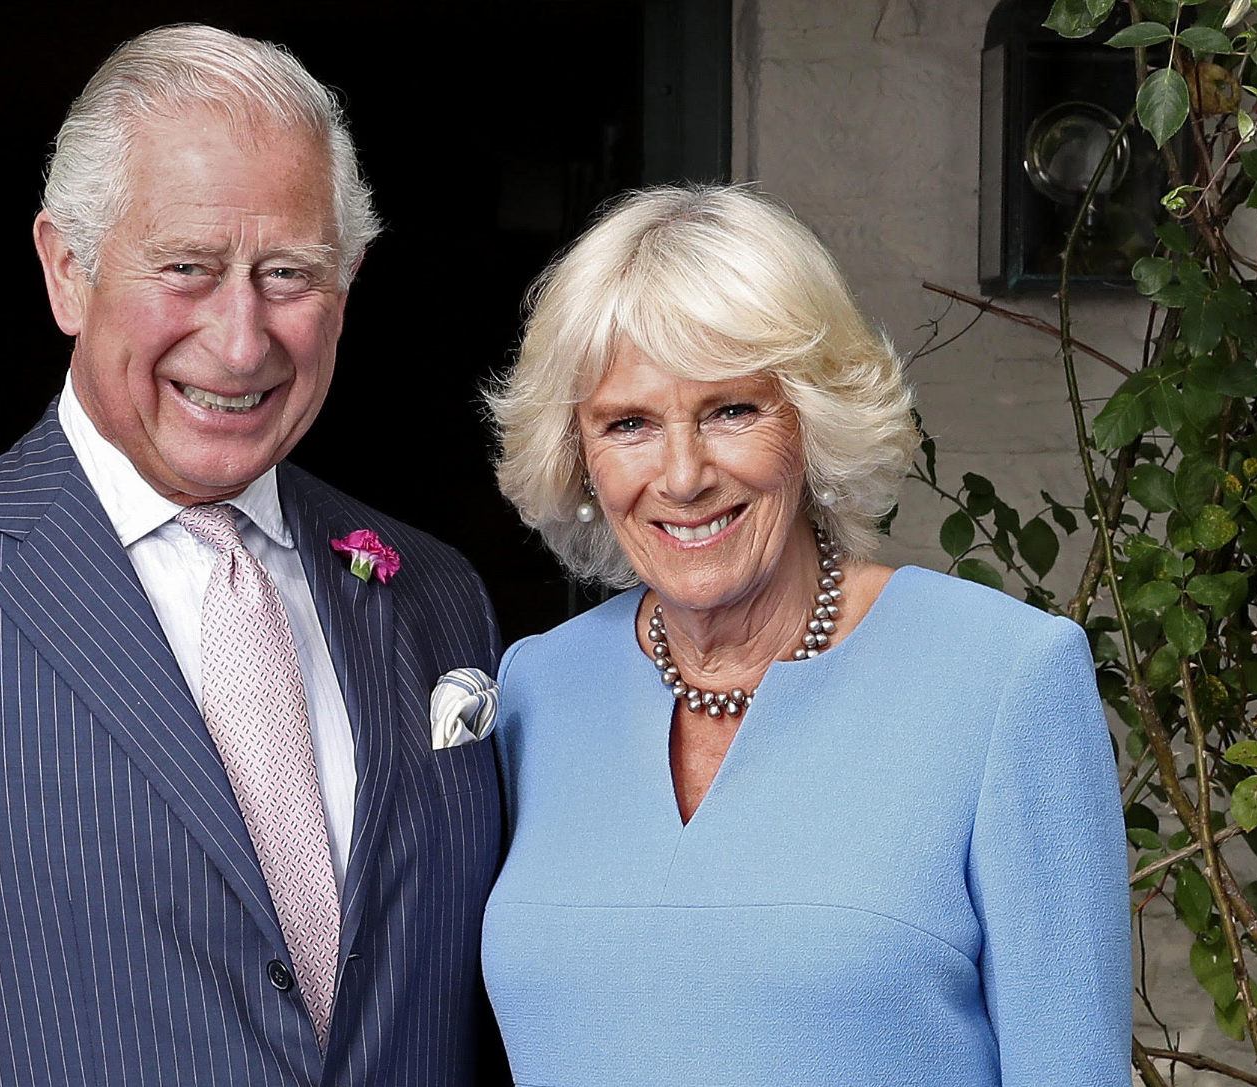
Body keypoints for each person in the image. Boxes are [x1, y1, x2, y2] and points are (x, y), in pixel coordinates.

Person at [0, 25, 505, 1086]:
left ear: (348, 282)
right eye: (185, 268)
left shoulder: (435, 596)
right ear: (67, 270)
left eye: (287, 274)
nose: (240, 338)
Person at [480, 185, 1128, 1086]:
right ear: (577, 454)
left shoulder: (1006, 678)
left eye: (731, 410)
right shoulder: (534, 689)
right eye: (627, 423)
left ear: (812, 419)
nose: (682, 475)